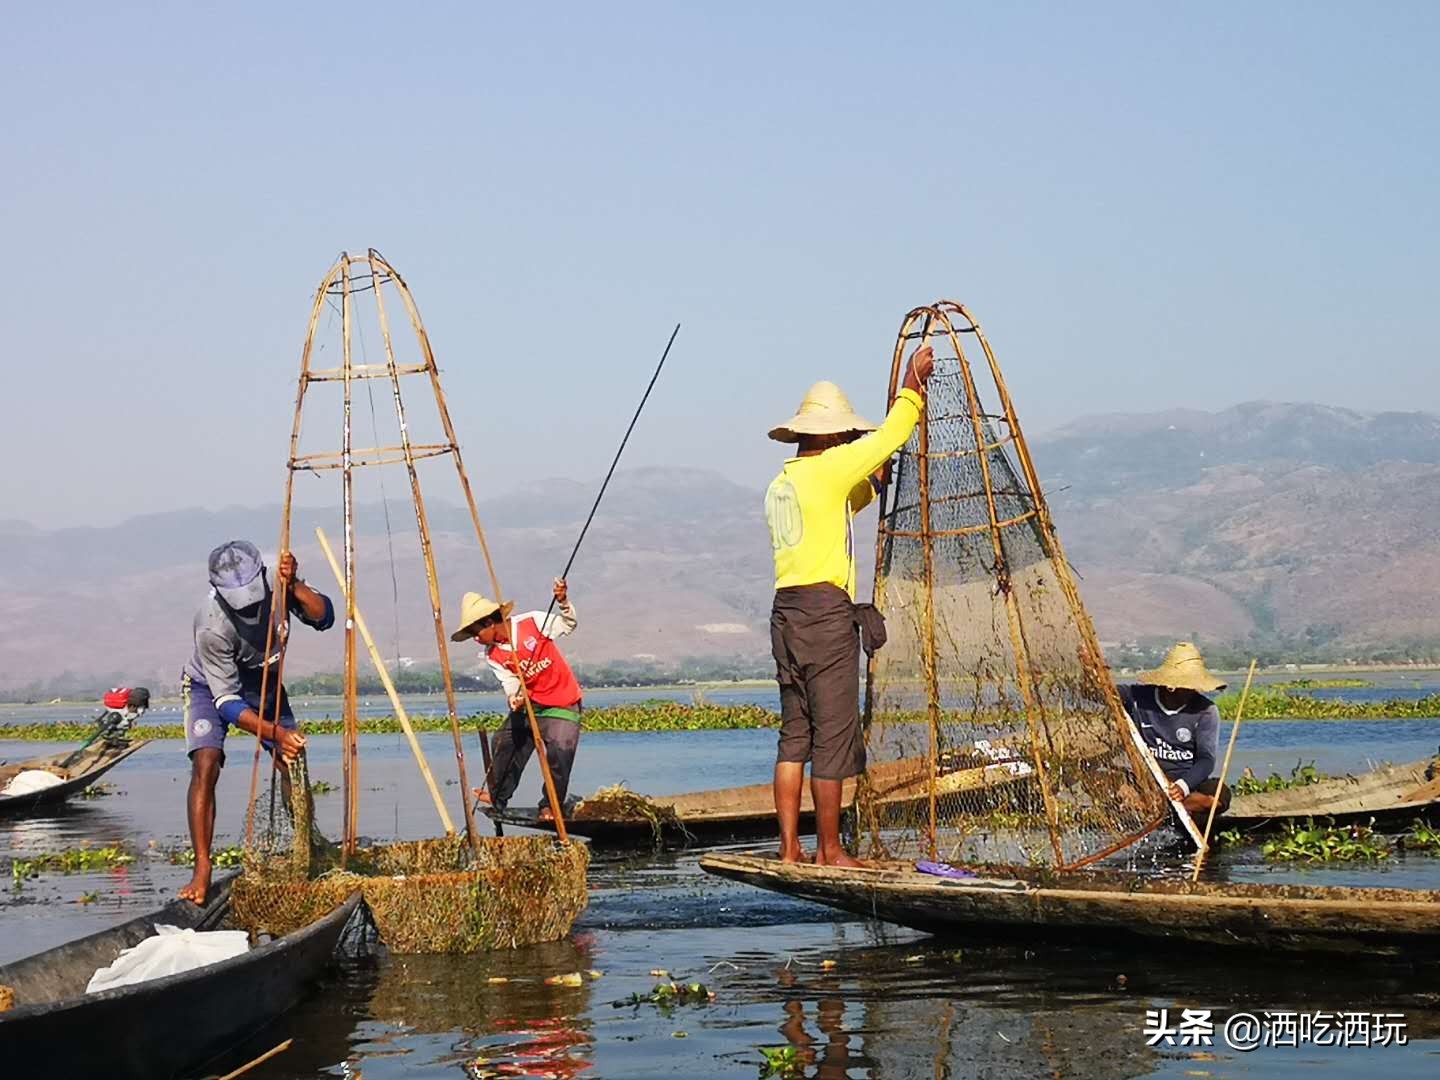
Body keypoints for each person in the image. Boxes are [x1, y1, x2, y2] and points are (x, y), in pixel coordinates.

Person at [764, 344, 935, 865]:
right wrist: (911, 386)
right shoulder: (832, 466)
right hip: (822, 615)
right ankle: (831, 850)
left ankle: (791, 847)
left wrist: (871, 478)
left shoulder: (783, 483)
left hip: (785, 616)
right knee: (834, 734)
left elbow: (845, 500)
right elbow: (891, 435)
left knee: (797, 735)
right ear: (833, 434)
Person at [179, 540, 334, 904]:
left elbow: (324, 617)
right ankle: (202, 867)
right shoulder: (211, 624)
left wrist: (293, 584)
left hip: (262, 682)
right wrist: (275, 732)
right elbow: (227, 703)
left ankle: (304, 848)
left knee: (290, 762)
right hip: (210, 687)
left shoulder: (277, 584)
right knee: (206, 763)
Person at [460, 578, 581, 821]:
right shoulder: (492, 654)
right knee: (504, 741)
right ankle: (498, 795)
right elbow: (510, 683)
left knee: (560, 750)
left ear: (489, 623)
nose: (475, 638)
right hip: (531, 705)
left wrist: (563, 602)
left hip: (562, 702)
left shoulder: (533, 622)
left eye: (476, 632)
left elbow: (569, 624)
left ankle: (551, 805)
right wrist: (513, 698)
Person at [1117, 641, 1232, 822]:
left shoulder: (1206, 711)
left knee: (1218, 798)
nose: (1194, 689)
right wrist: (1089, 668)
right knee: (1109, 781)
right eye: (1188, 685)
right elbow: (1104, 691)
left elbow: (1206, 759)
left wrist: (1182, 787)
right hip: (1146, 779)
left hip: (1186, 784)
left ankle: (1160, 806)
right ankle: (1149, 803)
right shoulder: (1138, 697)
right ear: (1171, 686)